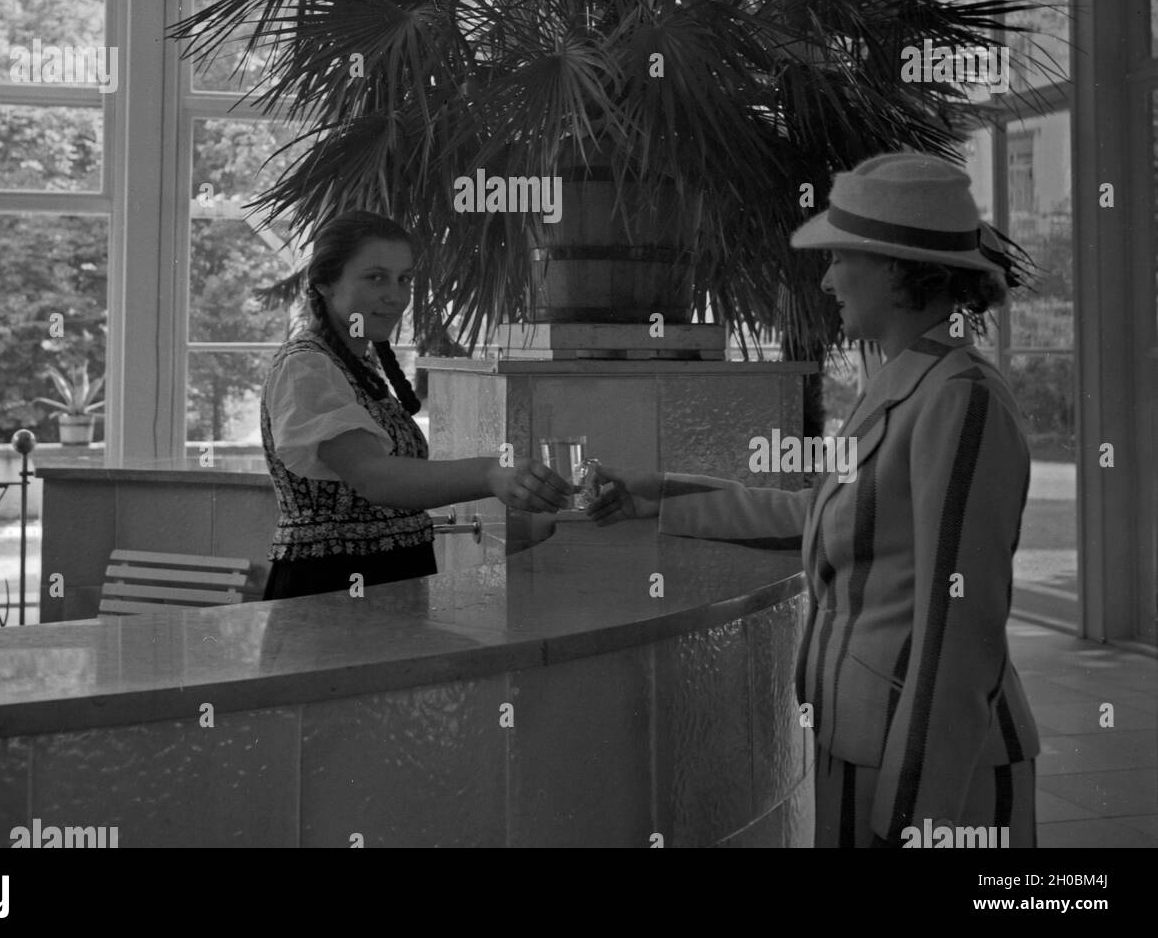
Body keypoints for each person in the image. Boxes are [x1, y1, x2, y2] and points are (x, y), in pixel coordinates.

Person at [587, 153, 1042, 848]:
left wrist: (918, 813)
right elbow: (823, 515)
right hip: (863, 744)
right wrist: (663, 498)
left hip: (930, 771)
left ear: (897, 268)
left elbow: (961, 628)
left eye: (839, 257)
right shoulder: (903, 380)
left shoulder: (960, 399)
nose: (827, 280)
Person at [260, 209, 570, 598]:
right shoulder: (306, 365)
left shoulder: (357, 364)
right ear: (324, 283)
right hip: (331, 584)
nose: (395, 296)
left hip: (390, 579)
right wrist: (492, 474)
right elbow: (375, 476)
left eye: (404, 279)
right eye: (375, 278)